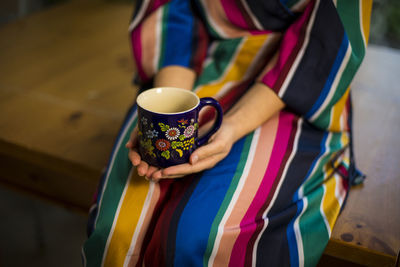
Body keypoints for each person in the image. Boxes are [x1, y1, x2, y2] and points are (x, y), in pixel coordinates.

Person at [82, 0, 372, 266]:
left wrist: (230, 128)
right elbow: (172, 10)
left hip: (291, 88)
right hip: (192, 66)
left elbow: (325, 42)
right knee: (119, 229)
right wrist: (170, 104)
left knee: (200, 234)